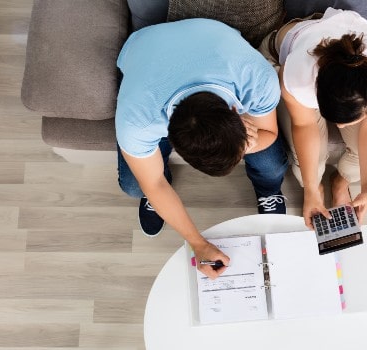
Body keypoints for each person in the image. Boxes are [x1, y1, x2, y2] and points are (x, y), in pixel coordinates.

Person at [116, 19, 289, 279]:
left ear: (236, 110)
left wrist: (253, 142)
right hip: (145, 48)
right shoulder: (138, 120)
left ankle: (268, 191)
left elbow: (270, 133)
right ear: (170, 138)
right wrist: (198, 244)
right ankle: (160, 195)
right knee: (134, 185)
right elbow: (154, 184)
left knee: (271, 162)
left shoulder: (256, 78)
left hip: (214, 36)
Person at [260, 8, 367, 228]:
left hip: (338, 55)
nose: (339, 126)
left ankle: (340, 182)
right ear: (316, 94)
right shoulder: (297, 77)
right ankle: (317, 188)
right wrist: (310, 190)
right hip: (282, 51)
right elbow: (304, 123)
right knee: (307, 165)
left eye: (347, 121)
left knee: (360, 155)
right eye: (335, 119)